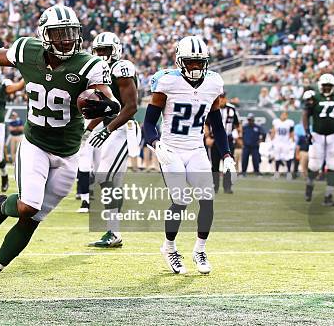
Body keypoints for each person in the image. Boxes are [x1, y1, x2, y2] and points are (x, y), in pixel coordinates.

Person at [0, 4, 120, 300]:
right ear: (44, 35)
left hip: (68, 153)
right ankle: (3, 204)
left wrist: (109, 105)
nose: (67, 40)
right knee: (28, 205)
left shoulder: (88, 64)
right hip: (35, 144)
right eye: (59, 34)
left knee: (32, 219)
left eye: (71, 33)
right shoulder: (28, 50)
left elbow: (106, 95)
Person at [143, 36, 237, 275]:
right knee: (182, 200)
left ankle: (200, 249)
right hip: (171, 149)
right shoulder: (167, 83)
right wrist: (155, 143)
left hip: (196, 149)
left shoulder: (214, 83)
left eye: (199, 62)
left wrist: (226, 154)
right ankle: (170, 248)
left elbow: (217, 125)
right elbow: (148, 123)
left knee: (207, 199)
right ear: (179, 61)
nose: (195, 67)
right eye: (190, 62)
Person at [77, 31, 139, 248]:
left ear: (116, 50)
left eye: (106, 50)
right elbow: (106, 110)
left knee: (105, 176)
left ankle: (113, 232)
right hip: (110, 128)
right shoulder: (101, 72)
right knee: (111, 180)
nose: (102, 54)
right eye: (99, 51)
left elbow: (131, 107)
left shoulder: (121, 68)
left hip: (123, 129)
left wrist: (108, 129)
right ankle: (114, 232)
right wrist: (88, 129)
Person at [303, 73, 334, 206]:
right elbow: (305, 115)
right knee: (314, 165)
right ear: (320, 86)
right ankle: (309, 187)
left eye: (330, 86)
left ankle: (328, 196)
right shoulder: (314, 97)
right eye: (325, 86)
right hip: (317, 135)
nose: (328, 88)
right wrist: (307, 132)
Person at [206, 93, 240, 193]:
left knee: (228, 164)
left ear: (226, 99)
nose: (221, 100)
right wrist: (207, 137)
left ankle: (227, 187)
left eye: (223, 98)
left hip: (228, 140)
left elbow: (237, 124)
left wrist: (239, 137)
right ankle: (214, 187)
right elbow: (206, 124)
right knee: (214, 165)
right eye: (220, 98)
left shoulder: (232, 109)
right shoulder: (212, 108)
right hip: (214, 140)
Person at [270, 111, 295, 179]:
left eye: (285, 115)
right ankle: (276, 173)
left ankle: (289, 173)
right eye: (283, 114)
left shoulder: (290, 122)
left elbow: (291, 132)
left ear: (287, 116)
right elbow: (273, 130)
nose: (284, 116)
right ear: (281, 115)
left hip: (286, 142)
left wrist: (292, 140)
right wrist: (271, 139)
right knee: (277, 157)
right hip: (277, 142)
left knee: (288, 158)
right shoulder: (276, 122)